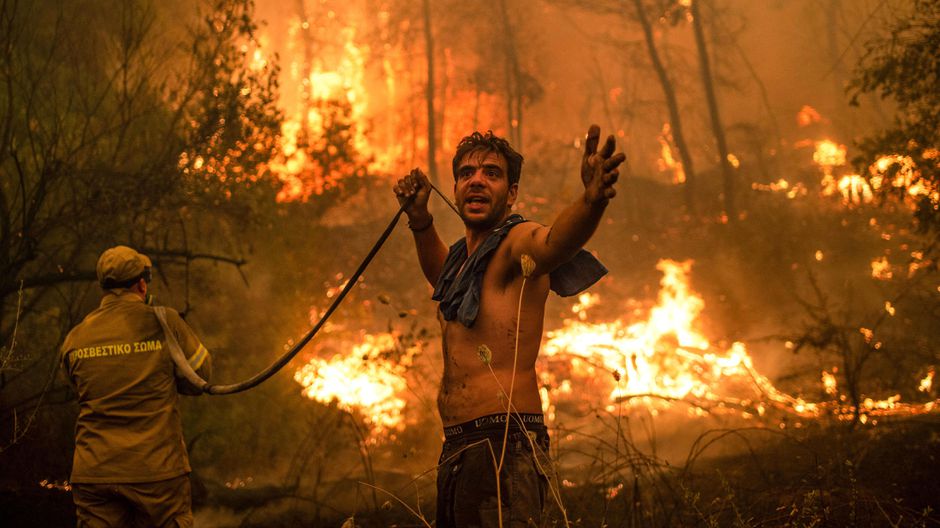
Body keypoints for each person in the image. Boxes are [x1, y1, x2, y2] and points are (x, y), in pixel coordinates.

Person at [393, 125, 625, 527]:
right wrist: (420, 220)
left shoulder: (515, 243)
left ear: (511, 192)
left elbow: (553, 243)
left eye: (491, 173)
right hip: (460, 447)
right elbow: (442, 281)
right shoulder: (462, 263)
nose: (477, 180)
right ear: (456, 186)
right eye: (467, 173)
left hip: (505, 444)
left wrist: (591, 201)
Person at [60, 246, 211, 527]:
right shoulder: (164, 322)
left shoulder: (75, 337)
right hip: (157, 474)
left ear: (103, 287)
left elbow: (76, 389)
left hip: (95, 474)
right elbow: (201, 376)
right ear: (142, 284)